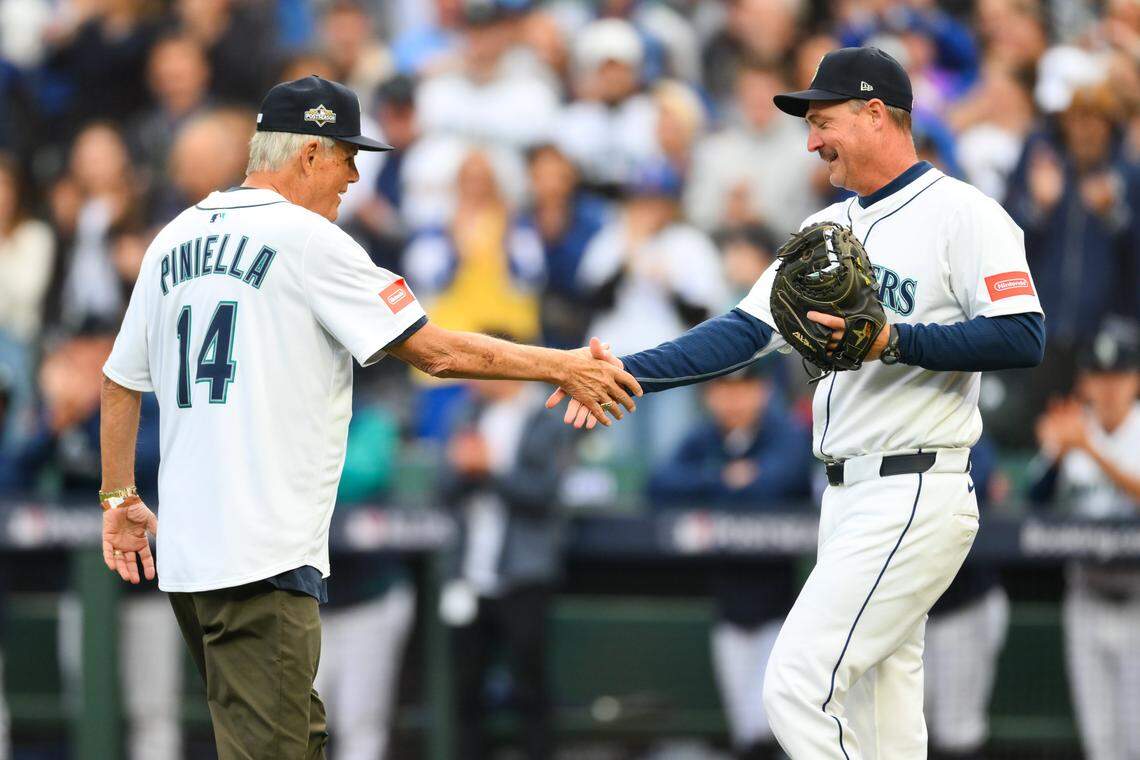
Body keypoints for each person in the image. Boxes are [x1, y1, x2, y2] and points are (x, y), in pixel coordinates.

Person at [97, 75, 641, 760]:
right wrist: (562, 366)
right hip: (261, 553)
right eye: (348, 156)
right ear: (309, 155)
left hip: (192, 561)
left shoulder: (173, 238)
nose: (355, 177)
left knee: (301, 739)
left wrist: (119, 494)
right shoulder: (306, 239)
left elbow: (119, 381)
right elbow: (436, 353)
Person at [549, 46, 1045, 759]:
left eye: (824, 121)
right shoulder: (827, 230)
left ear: (877, 114)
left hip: (914, 484)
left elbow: (1023, 335)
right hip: (846, 494)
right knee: (884, 724)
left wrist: (894, 339)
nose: (812, 141)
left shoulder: (964, 214)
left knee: (795, 684)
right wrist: (623, 374)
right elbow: (741, 334)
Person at [647, 363, 813, 760]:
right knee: (747, 730)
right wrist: (722, 477)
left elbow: (773, 483)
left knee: (780, 725)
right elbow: (658, 484)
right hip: (729, 602)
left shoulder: (785, 432)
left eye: (745, 389)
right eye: (724, 389)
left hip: (788, 605)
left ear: (764, 391)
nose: (734, 399)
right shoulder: (705, 437)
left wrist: (724, 486)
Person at [440, 373, 576, 760]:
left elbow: (544, 493)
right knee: (466, 690)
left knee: (530, 688)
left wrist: (488, 469)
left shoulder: (547, 416)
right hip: (468, 573)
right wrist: (463, 468)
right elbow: (442, 488)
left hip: (525, 574)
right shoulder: (465, 414)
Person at [1028, 318, 1140, 760]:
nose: (1109, 387)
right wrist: (1057, 454)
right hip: (1086, 598)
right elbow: (1031, 504)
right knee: (1101, 745)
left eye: (1119, 375)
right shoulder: (1071, 424)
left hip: (1137, 601)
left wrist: (1088, 450)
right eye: (1099, 375)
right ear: (1085, 381)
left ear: (1135, 379)